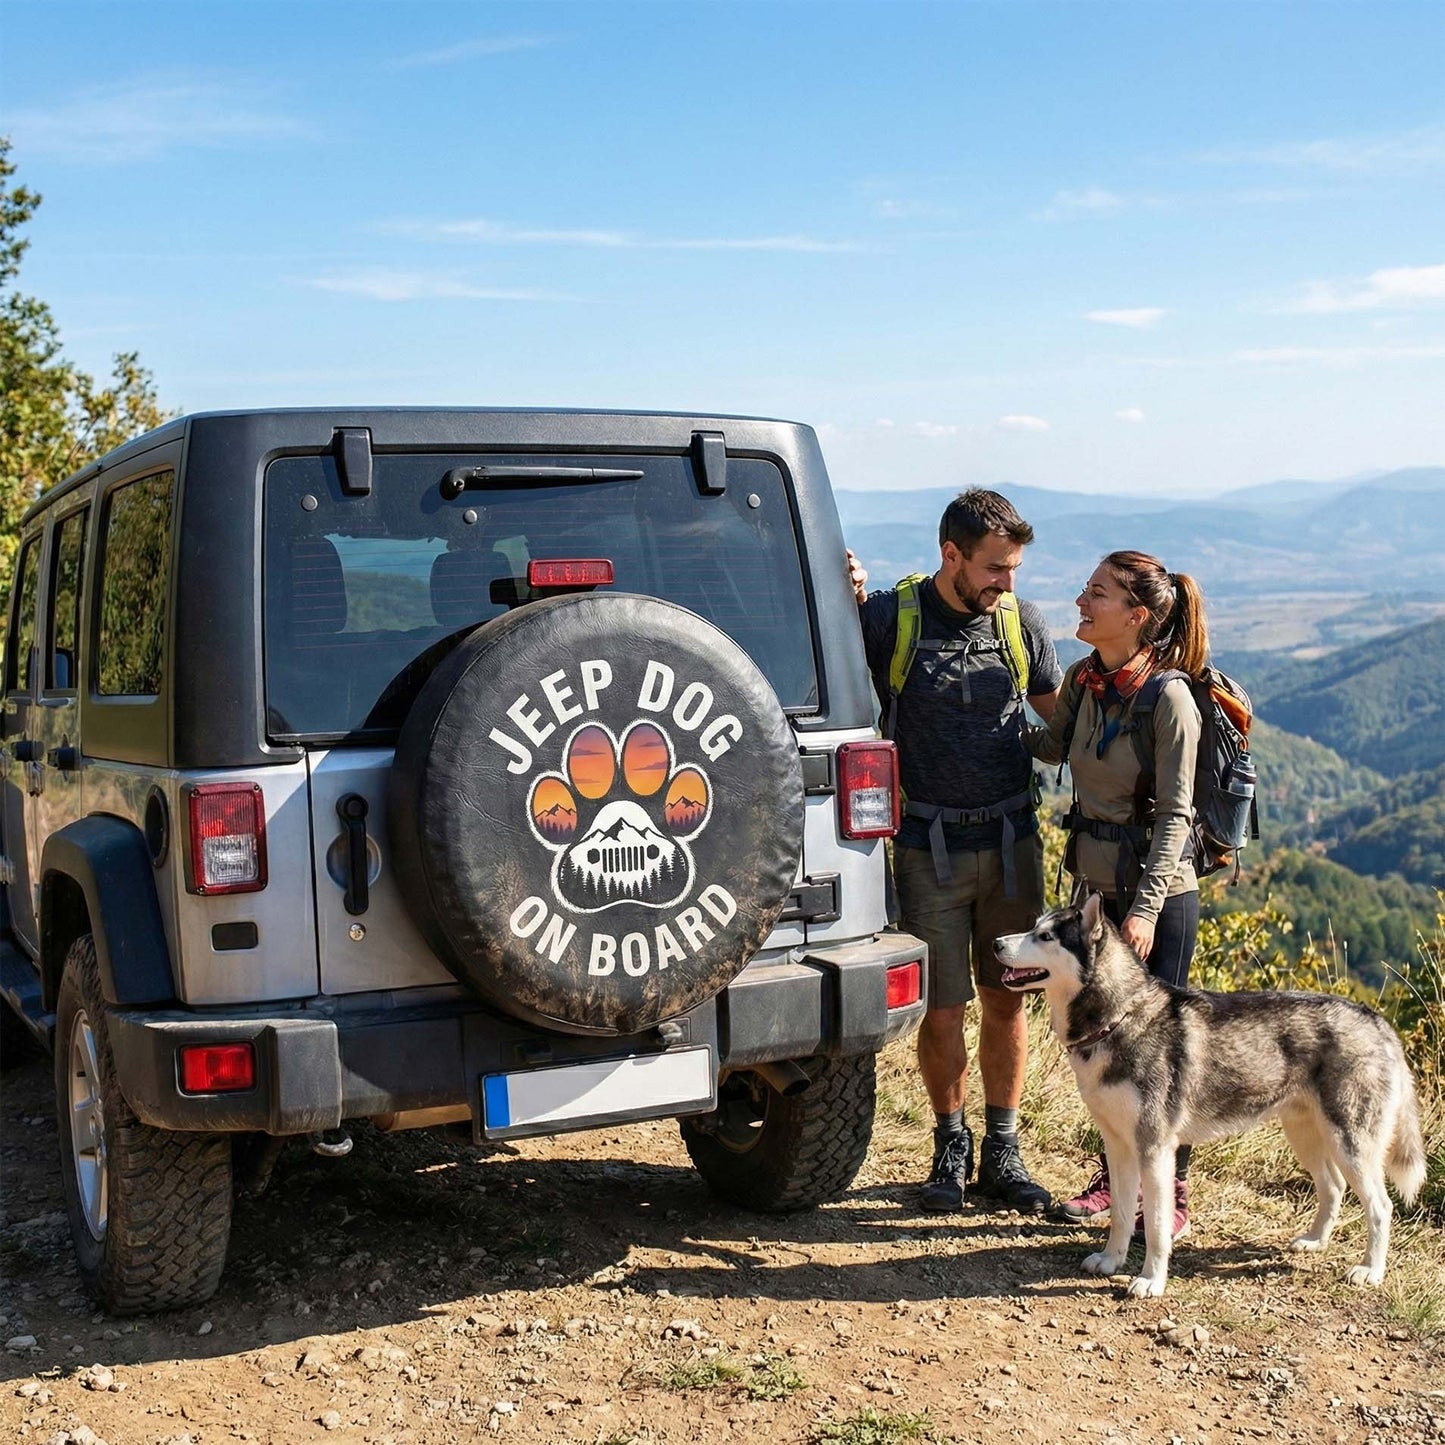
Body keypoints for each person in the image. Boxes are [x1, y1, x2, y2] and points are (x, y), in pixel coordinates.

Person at [849, 489, 1061, 1214]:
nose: (1007, 583)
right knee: (941, 1011)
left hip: (1010, 844)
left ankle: (1002, 1151)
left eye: (1013, 569)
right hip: (924, 847)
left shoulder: (1019, 622)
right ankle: (949, 1147)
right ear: (951, 555)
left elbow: (1058, 719)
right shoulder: (888, 618)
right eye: (996, 568)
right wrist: (836, 586)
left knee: (1007, 1005)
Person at [1026, 549, 1208, 1240]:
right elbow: (1051, 746)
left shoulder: (1168, 699)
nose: (1080, 598)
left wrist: (1144, 909)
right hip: (1093, 893)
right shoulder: (1085, 680)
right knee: (1102, 1037)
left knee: (1160, 1052)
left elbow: (1175, 817)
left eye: (1095, 593)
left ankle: (1173, 1195)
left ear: (1135, 615)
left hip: (1151, 895)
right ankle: (1115, 1183)